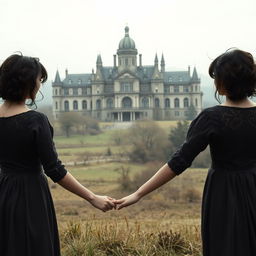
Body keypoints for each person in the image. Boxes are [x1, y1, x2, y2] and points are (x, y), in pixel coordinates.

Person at [115, 49, 256, 256]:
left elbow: (178, 162)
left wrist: (138, 193)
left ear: (222, 84)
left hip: (223, 193)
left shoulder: (211, 118)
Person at [0, 54, 115, 256]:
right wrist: (92, 197)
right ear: (27, 82)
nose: (39, 85)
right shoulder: (36, 121)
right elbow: (55, 170)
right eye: (38, 80)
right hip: (31, 195)